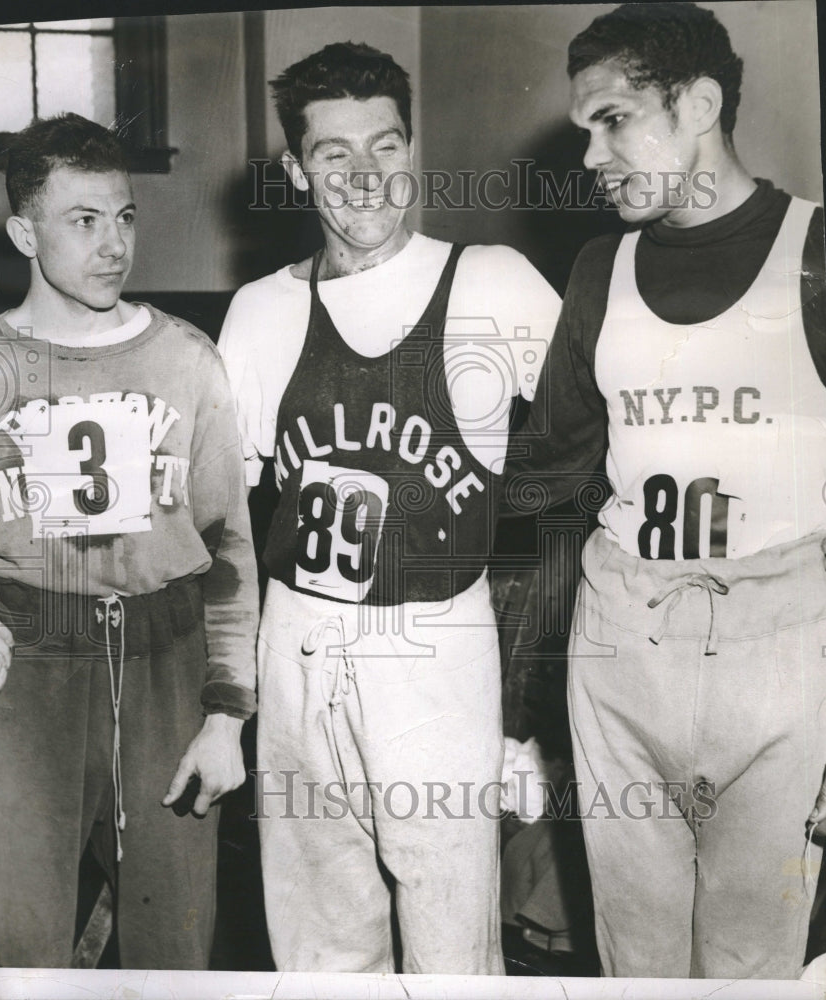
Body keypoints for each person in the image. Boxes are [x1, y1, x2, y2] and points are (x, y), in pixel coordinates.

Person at [510, 2, 826, 979]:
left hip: (777, 652)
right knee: (636, 963)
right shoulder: (594, 269)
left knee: (750, 962)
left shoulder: (818, 255)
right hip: (621, 644)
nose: (591, 156)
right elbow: (540, 479)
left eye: (611, 120)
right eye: (583, 130)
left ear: (697, 104)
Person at [217, 42, 561, 974]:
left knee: (452, 930)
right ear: (295, 170)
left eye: (386, 146)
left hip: (437, 640)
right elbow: (226, 527)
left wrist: (535, 701)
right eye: (334, 154)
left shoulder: (494, 282)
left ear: (414, 149)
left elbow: (595, 460)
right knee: (318, 931)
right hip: (296, 639)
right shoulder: (255, 312)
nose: (365, 177)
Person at [0, 113, 259, 969]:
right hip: (24, 682)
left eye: (125, 217)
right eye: (83, 221)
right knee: (23, 946)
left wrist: (227, 715)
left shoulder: (186, 358)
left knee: (173, 948)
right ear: (25, 231)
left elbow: (231, 551)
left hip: (166, 665)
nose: (113, 245)